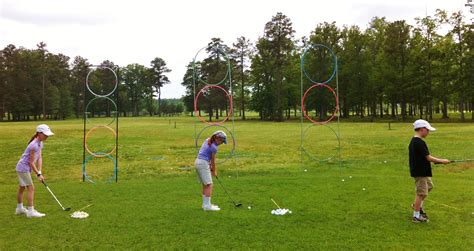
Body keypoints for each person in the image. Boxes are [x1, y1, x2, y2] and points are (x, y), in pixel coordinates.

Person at [409, 119, 449, 223]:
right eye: (428, 130)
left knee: (429, 187)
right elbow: (428, 158)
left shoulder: (416, 141)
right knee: (421, 193)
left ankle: (416, 205)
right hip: (420, 172)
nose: (429, 132)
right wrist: (442, 161)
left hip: (423, 171)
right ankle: (416, 216)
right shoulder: (418, 142)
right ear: (422, 129)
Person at [15, 124, 54, 218]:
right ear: (39, 133)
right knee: (31, 188)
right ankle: (31, 211)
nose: (47, 136)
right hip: (23, 168)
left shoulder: (40, 143)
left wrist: (39, 172)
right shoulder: (34, 145)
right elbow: (31, 163)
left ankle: (19, 209)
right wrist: (38, 175)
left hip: (22, 167)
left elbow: (39, 157)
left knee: (22, 187)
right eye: (45, 134)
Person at [195, 130, 227, 211]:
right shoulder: (214, 147)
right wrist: (214, 171)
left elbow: (205, 154)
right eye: (222, 141)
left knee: (205, 185)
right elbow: (213, 161)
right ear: (217, 139)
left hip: (198, 162)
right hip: (203, 163)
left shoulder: (207, 140)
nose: (222, 143)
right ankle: (207, 206)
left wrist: (209, 166)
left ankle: (206, 204)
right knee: (209, 185)